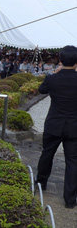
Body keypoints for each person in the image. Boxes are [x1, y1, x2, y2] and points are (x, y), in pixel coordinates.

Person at [36, 45, 77, 208]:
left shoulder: (52, 78)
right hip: (73, 126)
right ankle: (70, 199)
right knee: (73, 161)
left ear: (60, 60)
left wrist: (55, 72)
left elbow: (41, 90)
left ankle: (41, 182)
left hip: (54, 123)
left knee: (47, 154)